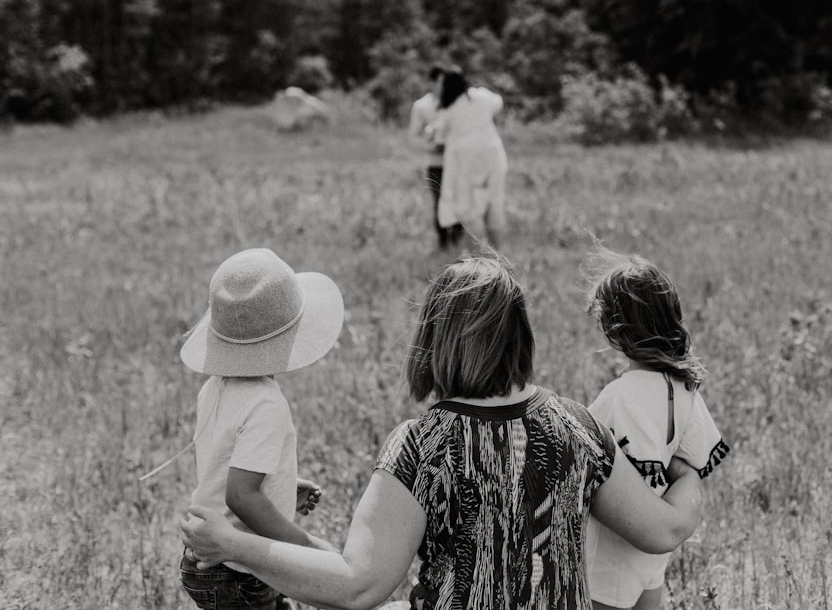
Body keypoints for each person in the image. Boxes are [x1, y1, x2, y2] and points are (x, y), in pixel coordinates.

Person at [181, 255, 704, 610]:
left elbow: (359, 586)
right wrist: (690, 472)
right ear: (520, 336)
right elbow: (663, 532)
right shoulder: (579, 427)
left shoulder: (424, 445)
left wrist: (233, 544)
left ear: (434, 338)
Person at [177, 248, 344, 609]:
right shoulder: (266, 403)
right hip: (239, 569)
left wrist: (280, 485)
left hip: (205, 560)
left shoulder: (214, 387)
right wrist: (303, 545)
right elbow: (240, 496)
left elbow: (224, 468)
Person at [583, 249, 728, 610]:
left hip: (610, 554)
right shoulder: (684, 388)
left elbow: (597, 472)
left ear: (614, 330)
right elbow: (696, 460)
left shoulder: (620, 396)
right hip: (651, 555)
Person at [434, 69, 508, 248]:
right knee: (495, 201)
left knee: (470, 207)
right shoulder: (481, 96)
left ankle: (480, 256)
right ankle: (498, 254)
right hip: (493, 153)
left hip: (466, 159)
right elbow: (498, 104)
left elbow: (439, 138)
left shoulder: (448, 108)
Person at [408, 64, 460, 250]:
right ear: (432, 83)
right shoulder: (422, 106)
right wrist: (431, 146)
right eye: (439, 82)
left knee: (458, 200)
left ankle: (458, 239)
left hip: (457, 161)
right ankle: (443, 241)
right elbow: (414, 136)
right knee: (439, 201)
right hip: (435, 162)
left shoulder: (457, 103)